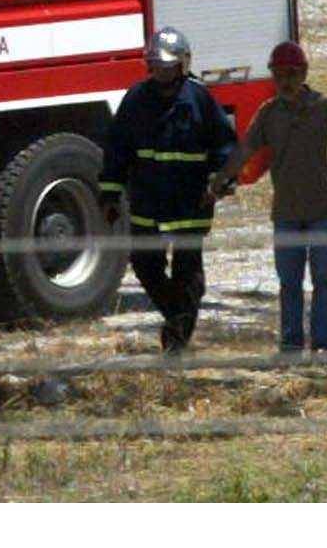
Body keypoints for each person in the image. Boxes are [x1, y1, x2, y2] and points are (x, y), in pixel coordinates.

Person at [211, 40, 327, 357]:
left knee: (324, 280)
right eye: (278, 74)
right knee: (289, 284)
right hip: (286, 214)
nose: (285, 81)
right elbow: (245, 150)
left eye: (291, 74)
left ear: (305, 72)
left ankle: (323, 344)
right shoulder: (268, 113)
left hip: (324, 211)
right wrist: (221, 178)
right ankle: (291, 344)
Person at [101, 26, 238, 354]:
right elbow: (117, 148)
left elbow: (225, 146)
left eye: (168, 68)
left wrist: (219, 182)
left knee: (187, 273)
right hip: (148, 201)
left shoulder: (200, 99)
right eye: (157, 67)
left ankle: (176, 343)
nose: (162, 75)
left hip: (190, 202)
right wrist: (109, 194)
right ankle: (177, 316)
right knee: (145, 264)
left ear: (183, 65)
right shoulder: (136, 99)